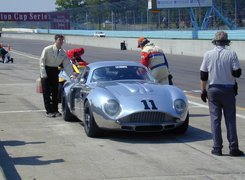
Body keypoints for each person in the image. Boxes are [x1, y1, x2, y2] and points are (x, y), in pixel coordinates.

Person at [200, 31, 243, 156]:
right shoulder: (231, 54)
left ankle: (217, 148)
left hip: (213, 90)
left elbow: (203, 75)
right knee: (230, 119)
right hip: (228, 89)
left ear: (215, 41)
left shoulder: (208, 54)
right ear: (227, 42)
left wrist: (203, 91)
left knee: (215, 119)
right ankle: (233, 147)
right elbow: (237, 73)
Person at [40, 34, 74, 118]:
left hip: (55, 71)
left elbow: (67, 65)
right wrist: (43, 74)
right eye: (60, 40)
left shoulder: (63, 52)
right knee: (46, 92)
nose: (61, 42)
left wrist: (71, 75)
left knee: (55, 91)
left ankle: (55, 110)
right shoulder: (47, 49)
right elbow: (42, 62)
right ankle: (49, 111)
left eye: (62, 40)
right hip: (46, 71)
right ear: (55, 40)